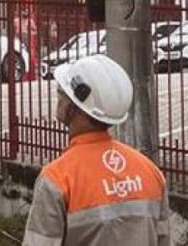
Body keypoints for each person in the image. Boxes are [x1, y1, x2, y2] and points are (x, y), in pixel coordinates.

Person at [22, 54, 170, 245]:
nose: (58, 97)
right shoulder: (150, 172)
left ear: (74, 107)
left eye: (61, 91)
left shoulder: (57, 178)